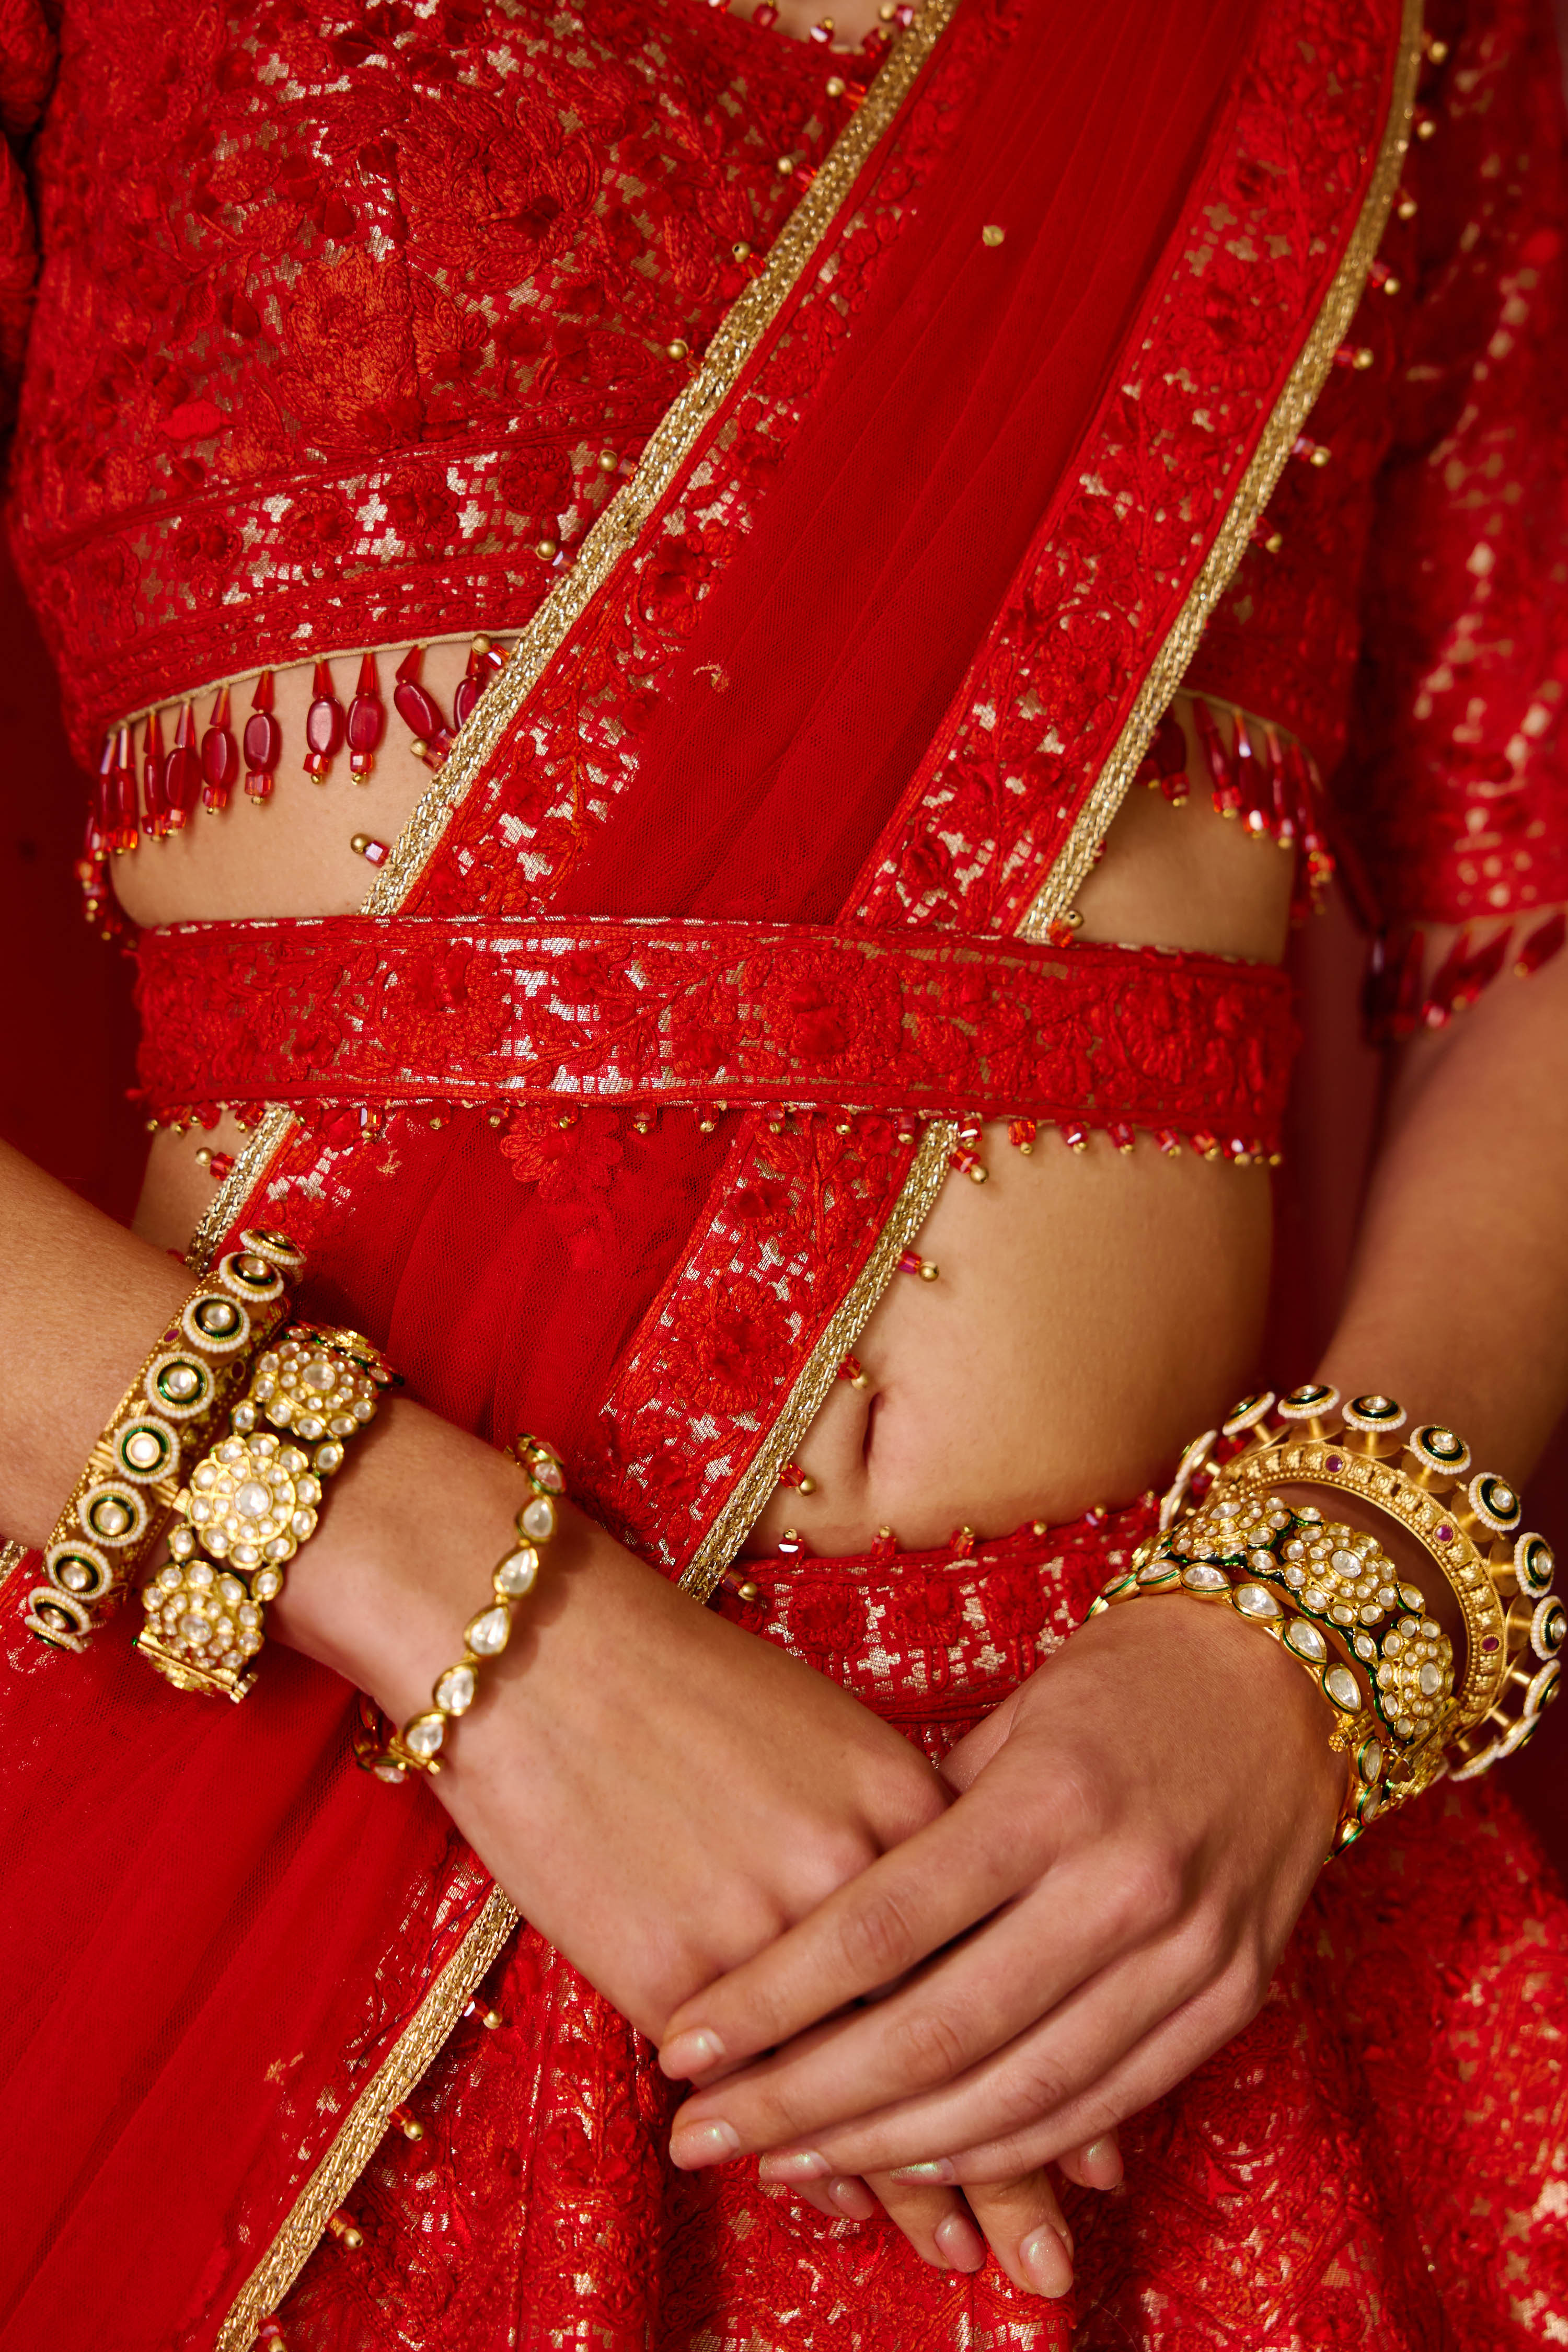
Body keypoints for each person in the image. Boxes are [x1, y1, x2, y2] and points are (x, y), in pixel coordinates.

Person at [2, 0, 1566, 2343]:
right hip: (261, 1827)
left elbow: (1531, 947)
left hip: (1141, 1919)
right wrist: (489, 1640)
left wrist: (1292, 1652)